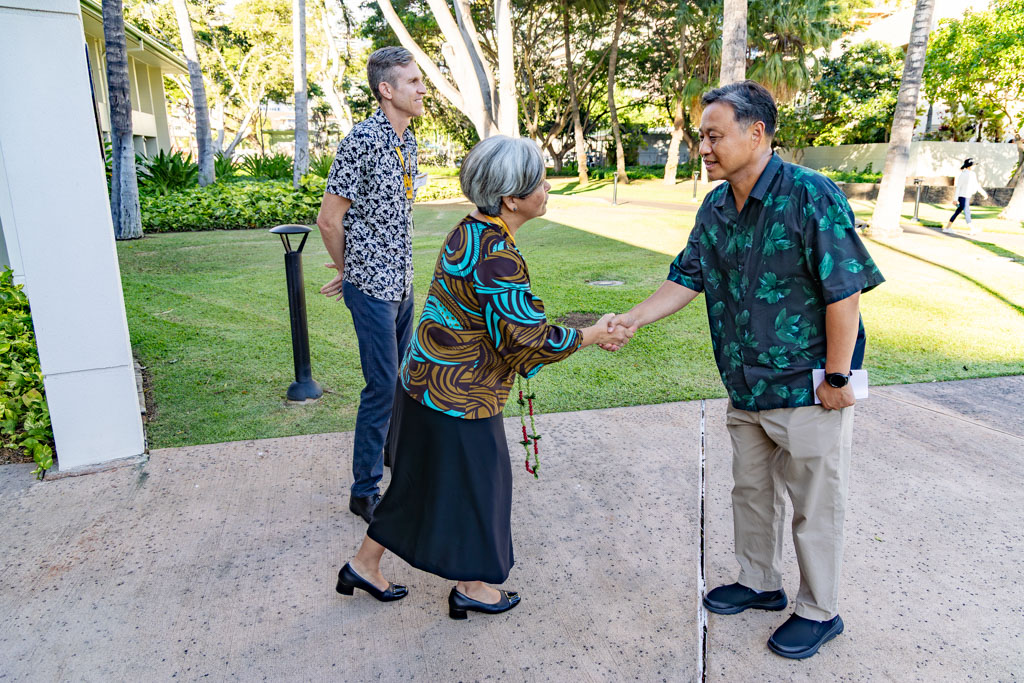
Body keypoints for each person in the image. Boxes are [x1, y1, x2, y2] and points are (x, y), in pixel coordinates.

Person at [604, 81, 885, 660]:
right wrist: (631, 319)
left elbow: (844, 291)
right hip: (745, 385)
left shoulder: (810, 194)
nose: (703, 147)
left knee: (815, 504)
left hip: (807, 387)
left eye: (714, 135)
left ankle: (819, 610)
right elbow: (687, 277)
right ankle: (759, 582)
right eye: (701, 136)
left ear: (757, 134)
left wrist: (837, 379)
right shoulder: (715, 207)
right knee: (752, 492)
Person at [334, 135, 631, 619]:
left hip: (424, 384)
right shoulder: (495, 253)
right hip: (458, 395)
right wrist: (592, 334)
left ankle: (363, 566)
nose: (548, 188)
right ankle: (472, 586)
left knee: (417, 484)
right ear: (511, 199)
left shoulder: (470, 229)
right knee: (481, 490)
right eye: (540, 182)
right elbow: (526, 338)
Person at [316, 46, 427, 524]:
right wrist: (351, 271)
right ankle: (364, 491)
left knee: (403, 378)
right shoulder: (360, 141)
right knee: (381, 385)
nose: (422, 89)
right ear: (386, 89)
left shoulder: (408, 141)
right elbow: (328, 220)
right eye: (413, 82)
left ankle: (393, 459)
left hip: (402, 282)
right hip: (372, 288)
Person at [943, 158, 989, 236]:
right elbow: (958, 187)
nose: (974, 166)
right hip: (962, 197)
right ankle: (972, 229)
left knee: (958, 211)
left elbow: (976, 185)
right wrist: (955, 199)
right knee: (967, 212)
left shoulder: (972, 174)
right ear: (969, 166)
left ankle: (947, 228)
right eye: (973, 165)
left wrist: (983, 193)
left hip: (966, 196)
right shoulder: (963, 175)